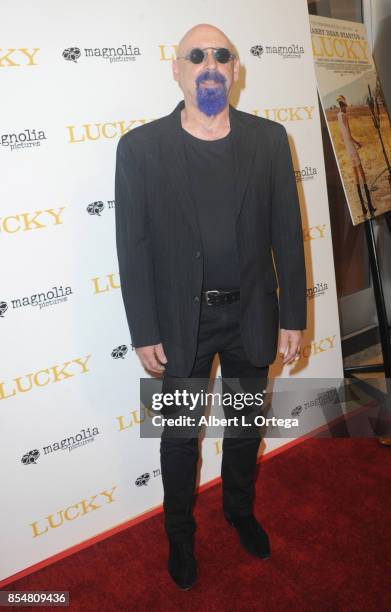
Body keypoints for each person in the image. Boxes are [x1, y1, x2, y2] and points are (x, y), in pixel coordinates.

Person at [115, 23, 307, 590]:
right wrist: (144, 327)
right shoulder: (141, 149)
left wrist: (293, 313)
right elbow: (134, 248)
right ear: (176, 69)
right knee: (179, 439)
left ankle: (240, 511)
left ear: (235, 71)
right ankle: (179, 534)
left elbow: (287, 236)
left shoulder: (270, 140)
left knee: (245, 426)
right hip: (179, 324)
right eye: (195, 55)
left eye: (221, 56)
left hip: (252, 314)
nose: (210, 64)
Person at [336, 94, 376, 218]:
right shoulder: (344, 116)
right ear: (343, 105)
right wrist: (357, 142)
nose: (346, 107)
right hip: (351, 147)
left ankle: (363, 208)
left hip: (348, 147)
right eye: (345, 105)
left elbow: (342, 136)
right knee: (362, 173)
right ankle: (369, 206)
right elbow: (348, 134)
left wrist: (349, 143)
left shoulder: (338, 116)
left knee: (356, 175)